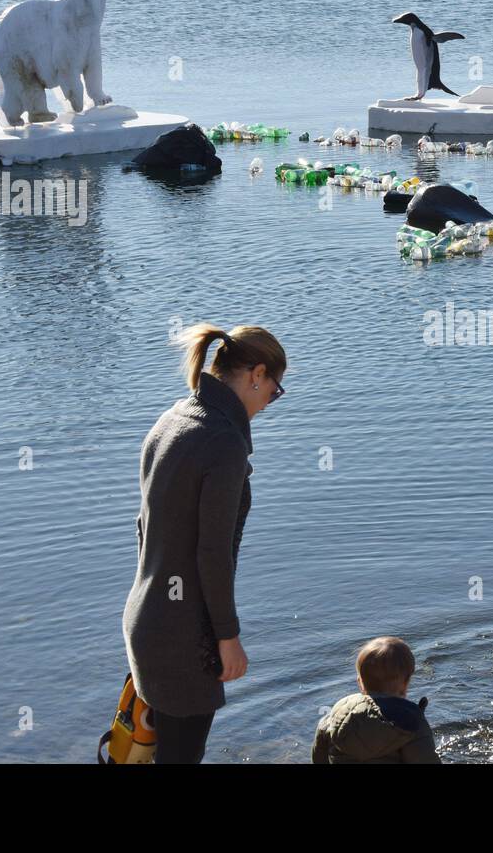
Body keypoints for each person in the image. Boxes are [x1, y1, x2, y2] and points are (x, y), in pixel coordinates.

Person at [122, 323, 287, 764]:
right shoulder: (223, 443)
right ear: (256, 373)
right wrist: (227, 636)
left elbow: (143, 528)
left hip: (147, 618)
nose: (269, 404)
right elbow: (211, 553)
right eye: (274, 391)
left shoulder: (172, 418)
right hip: (182, 635)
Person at [312, 636, 441, 764]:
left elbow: (319, 754)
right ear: (405, 683)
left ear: (359, 682)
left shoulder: (338, 713)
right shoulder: (410, 724)